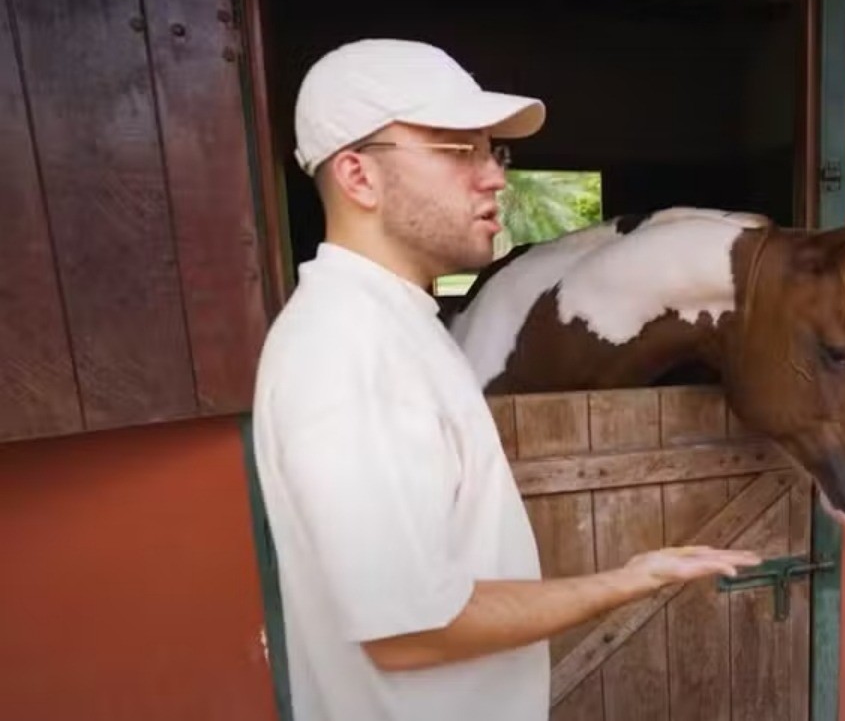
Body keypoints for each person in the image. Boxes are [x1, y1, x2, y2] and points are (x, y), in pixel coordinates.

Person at [251, 38, 760, 721]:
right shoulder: (345, 349)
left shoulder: (398, 322)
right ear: (358, 177)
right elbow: (412, 629)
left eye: (494, 151)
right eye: (459, 149)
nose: (494, 177)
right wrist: (625, 581)